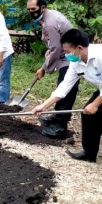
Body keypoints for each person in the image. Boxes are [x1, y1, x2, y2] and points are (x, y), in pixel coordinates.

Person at [32, 29, 102, 162]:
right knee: (88, 114)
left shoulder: (100, 56)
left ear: (79, 48)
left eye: (68, 52)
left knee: (93, 109)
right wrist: (44, 106)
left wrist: (96, 104)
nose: (66, 55)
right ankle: (89, 153)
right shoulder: (76, 62)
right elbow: (64, 86)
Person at [27, 0, 79, 139]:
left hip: (73, 57)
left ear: (43, 8)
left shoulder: (50, 22)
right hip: (65, 55)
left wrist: (44, 68)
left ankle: (60, 127)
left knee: (66, 89)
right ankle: (57, 117)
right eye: (29, 9)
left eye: (34, 9)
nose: (31, 12)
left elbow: (56, 48)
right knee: (62, 86)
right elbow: (54, 45)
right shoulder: (47, 17)